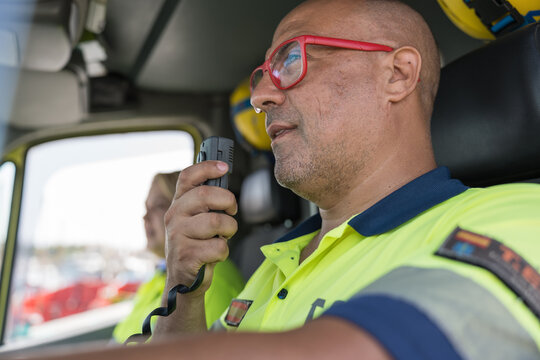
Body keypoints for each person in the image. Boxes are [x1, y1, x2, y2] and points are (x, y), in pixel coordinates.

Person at [30, 0, 540, 358]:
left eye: (291, 60)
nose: (261, 98)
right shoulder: (274, 264)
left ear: (398, 75)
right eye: (263, 77)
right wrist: (184, 296)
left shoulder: (516, 218)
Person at [111, 171, 245, 343]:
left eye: (158, 206)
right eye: (146, 208)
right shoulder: (160, 277)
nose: (145, 217)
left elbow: (197, 350)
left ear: (188, 211)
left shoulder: (206, 278)